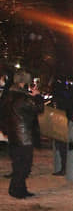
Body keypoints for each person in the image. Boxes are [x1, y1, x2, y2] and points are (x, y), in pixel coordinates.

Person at [1, 70, 44, 199]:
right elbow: (39, 108)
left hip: (13, 135)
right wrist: (37, 96)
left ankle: (20, 188)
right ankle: (16, 189)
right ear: (23, 82)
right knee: (24, 165)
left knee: (17, 163)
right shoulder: (23, 98)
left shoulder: (8, 96)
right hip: (23, 136)